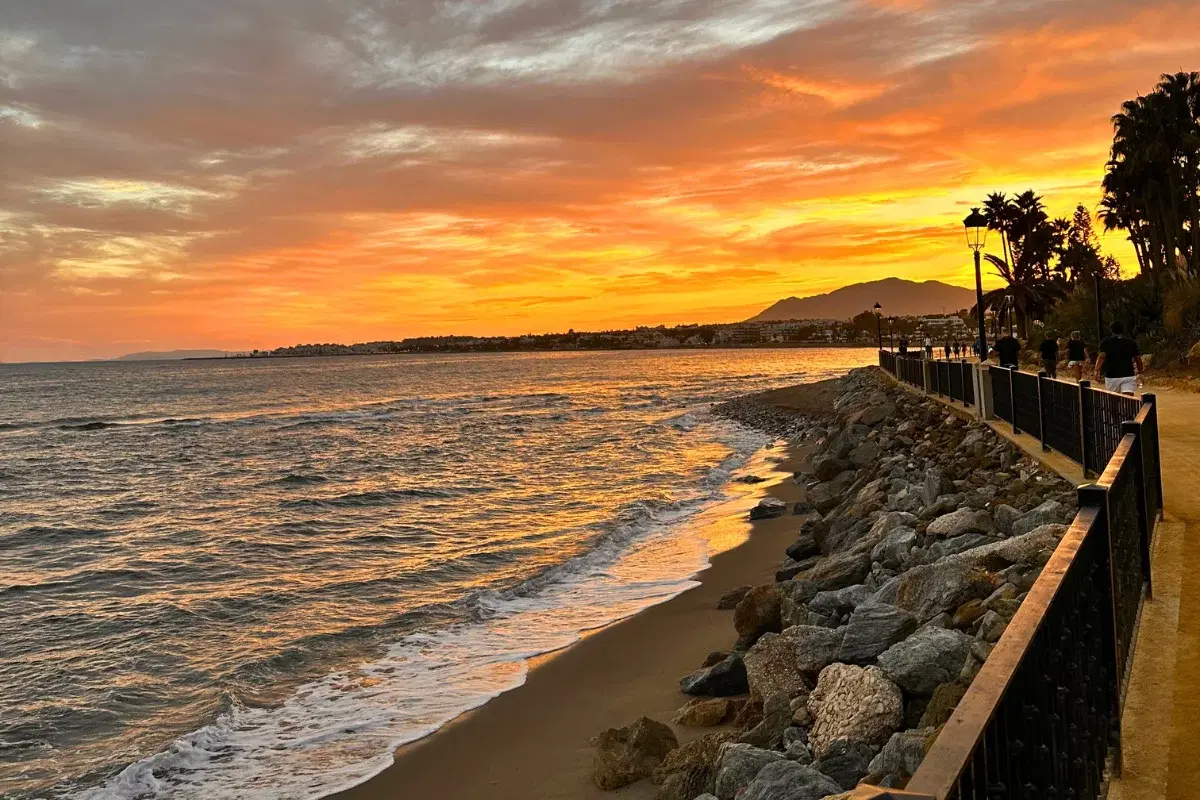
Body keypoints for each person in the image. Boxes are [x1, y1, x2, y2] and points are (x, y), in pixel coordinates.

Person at [1094, 321, 1143, 394]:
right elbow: (1138, 359)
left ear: (1111, 330)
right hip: (1128, 375)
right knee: (1127, 398)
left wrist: (1096, 370)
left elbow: (1102, 357)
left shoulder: (1106, 342)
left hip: (1112, 376)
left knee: (1114, 399)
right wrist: (1140, 372)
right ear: (1123, 330)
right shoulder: (1131, 342)